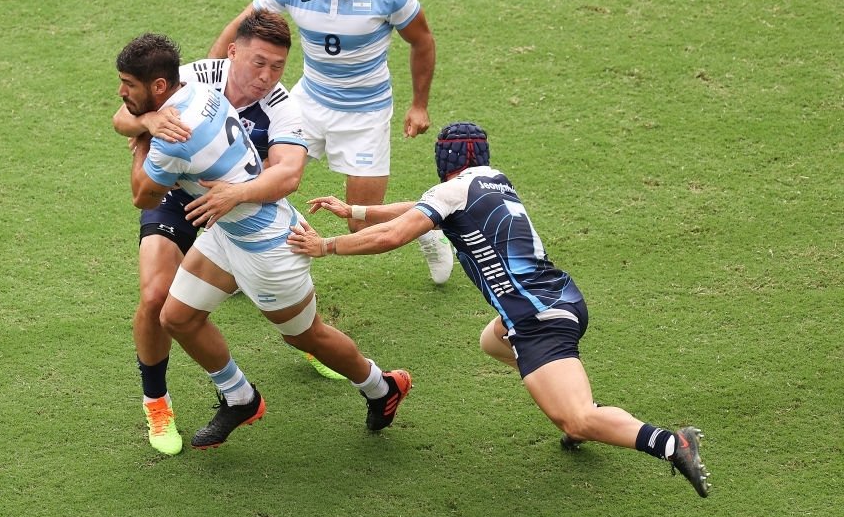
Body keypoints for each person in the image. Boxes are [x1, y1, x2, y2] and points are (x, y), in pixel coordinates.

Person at [288, 122, 712, 497]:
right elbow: (419, 210)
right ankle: (577, 402)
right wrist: (356, 210)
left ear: (443, 158)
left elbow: (395, 234)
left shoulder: (450, 192)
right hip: (561, 298)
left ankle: (671, 444)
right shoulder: (492, 180)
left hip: (535, 319)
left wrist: (326, 246)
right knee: (492, 341)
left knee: (575, 421)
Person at [116, 31, 412, 451]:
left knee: (307, 336)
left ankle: (382, 386)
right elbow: (125, 118)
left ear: (159, 87)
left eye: (128, 85)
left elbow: (142, 197)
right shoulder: (200, 91)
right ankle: (241, 398)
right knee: (177, 317)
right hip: (227, 232)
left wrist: (144, 140)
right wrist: (146, 120)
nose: (121, 93)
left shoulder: (174, 137)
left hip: (269, 249)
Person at [209, 0, 454, 285]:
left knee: (360, 221)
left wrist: (419, 104)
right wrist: (209, 89)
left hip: (366, 115)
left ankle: (426, 226)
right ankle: (239, 266)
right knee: (252, 183)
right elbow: (240, 27)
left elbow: (422, 41)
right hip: (306, 105)